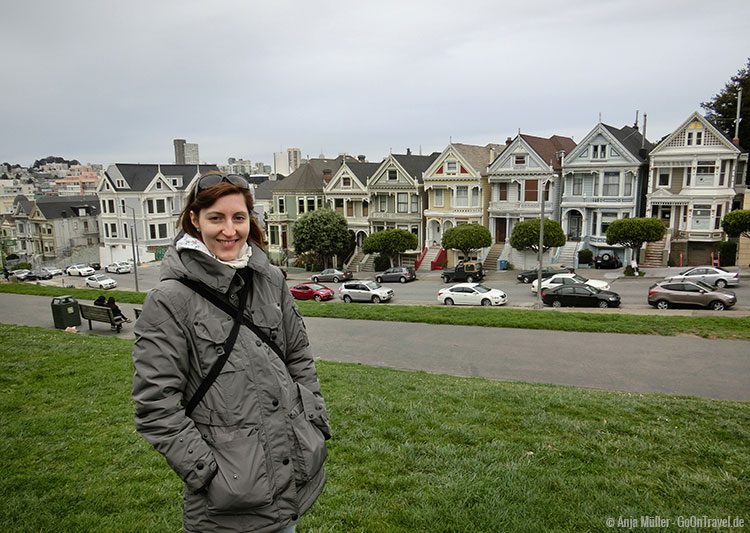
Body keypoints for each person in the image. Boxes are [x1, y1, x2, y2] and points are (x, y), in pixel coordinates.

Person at [132, 173, 330, 533]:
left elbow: (298, 356)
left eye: (239, 218)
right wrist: (210, 475)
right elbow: (155, 406)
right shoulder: (169, 301)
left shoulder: (270, 279)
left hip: (290, 479)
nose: (230, 230)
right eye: (216, 218)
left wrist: (313, 420)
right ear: (195, 220)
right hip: (228, 503)